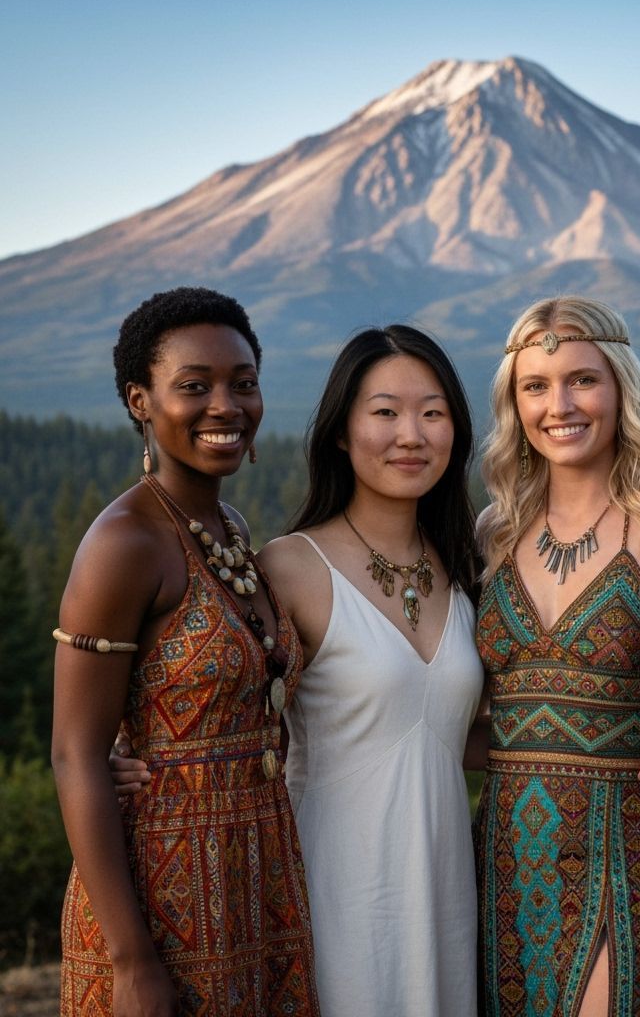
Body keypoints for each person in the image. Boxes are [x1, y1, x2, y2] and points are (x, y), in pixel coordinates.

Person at [52, 287, 319, 1016]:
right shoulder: (124, 543)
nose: (225, 406)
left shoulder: (226, 522)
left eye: (244, 383)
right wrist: (132, 961)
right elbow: (75, 753)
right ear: (141, 400)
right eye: (194, 387)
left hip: (255, 880)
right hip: (160, 901)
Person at [475, 296, 640, 1016]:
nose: (559, 404)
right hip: (504, 855)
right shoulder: (491, 531)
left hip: (630, 850)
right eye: (536, 386)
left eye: (582, 380)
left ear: (621, 386)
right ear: (514, 402)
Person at [257, 325, 487, 1014]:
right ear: (340, 431)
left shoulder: (469, 566)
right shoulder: (292, 567)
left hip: (445, 895)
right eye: (385, 412)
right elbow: (233, 716)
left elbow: (452, 735)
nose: (410, 434)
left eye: (433, 412)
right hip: (336, 890)